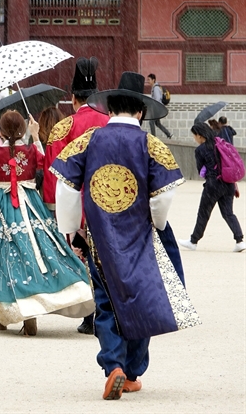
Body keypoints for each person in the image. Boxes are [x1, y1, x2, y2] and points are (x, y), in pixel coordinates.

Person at [51, 71, 200, 400]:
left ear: (110, 108)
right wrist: (156, 224)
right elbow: (163, 196)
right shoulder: (151, 144)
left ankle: (113, 366)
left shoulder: (89, 139)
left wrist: (71, 231)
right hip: (141, 237)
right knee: (141, 300)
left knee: (107, 302)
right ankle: (132, 371)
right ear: (141, 111)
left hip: (101, 237)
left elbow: (65, 186)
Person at [0, 110, 94, 336]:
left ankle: (4, 315)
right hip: (31, 205)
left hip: (3, 207)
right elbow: (44, 163)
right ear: (23, 130)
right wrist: (36, 137)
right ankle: (49, 295)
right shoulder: (28, 150)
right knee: (38, 250)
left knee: (0, 256)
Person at [43, 57, 109, 335]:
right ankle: (111, 311)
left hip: (76, 204)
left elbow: (53, 173)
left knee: (80, 256)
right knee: (108, 256)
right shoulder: (111, 123)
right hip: (109, 200)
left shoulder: (63, 128)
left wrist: (51, 207)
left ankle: (88, 313)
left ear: (72, 99)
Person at [178, 123, 245, 252]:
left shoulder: (200, 150)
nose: (194, 138)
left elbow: (200, 170)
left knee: (203, 213)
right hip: (229, 183)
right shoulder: (221, 143)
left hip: (213, 184)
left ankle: (193, 241)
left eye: (194, 135)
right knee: (228, 213)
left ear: (199, 135)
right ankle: (240, 240)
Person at [146, 74, 172, 139]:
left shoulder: (156, 88)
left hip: (157, 108)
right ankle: (168, 134)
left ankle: (153, 138)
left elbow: (157, 99)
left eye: (149, 79)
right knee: (157, 123)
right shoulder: (155, 88)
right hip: (157, 108)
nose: (148, 81)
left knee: (151, 121)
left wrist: (152, 106)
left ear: (153, 80)